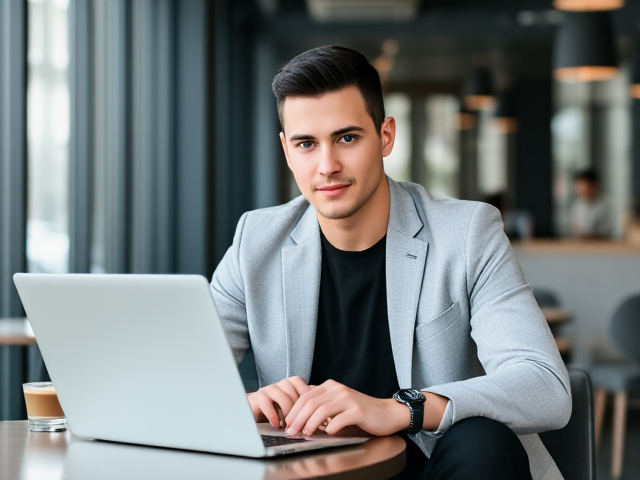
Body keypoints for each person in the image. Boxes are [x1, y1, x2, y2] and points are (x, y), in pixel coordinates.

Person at [211, 46, 570, 480]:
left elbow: (544, 386)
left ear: (385, 136)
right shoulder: (256, 241)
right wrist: (239, 403)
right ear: (288, 151)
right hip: (314, 472)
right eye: (307, 144)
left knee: (482, 440)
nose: (327, 166)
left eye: (347, 138)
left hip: (436, 466)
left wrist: (401, 409)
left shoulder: (467, 232)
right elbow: (170, 380)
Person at [570, 168, 610, 238]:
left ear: (594, 186)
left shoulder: (604, 205)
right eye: (578, 186)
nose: (580, 189)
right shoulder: (577, 204)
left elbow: (605, 233)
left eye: (583, 185)